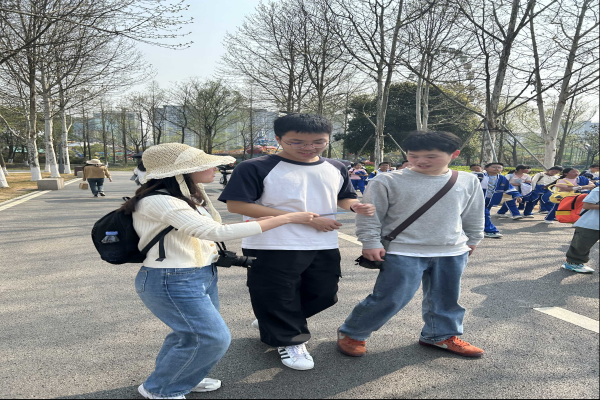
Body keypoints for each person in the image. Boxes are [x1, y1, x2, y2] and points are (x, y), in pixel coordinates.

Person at [124, 143, 317, 399]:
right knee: (211, 338)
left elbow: (206, 227)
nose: (214, 168)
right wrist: (287, 218)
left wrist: (267, 220)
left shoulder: (183, 197)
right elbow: (213, 231)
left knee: (189, 335)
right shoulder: (161, 200)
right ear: (181, 172)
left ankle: (180, 378)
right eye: (204, 164)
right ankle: (161, 390)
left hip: (198, 274)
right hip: (171, 279)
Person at [218, 113, 375, 371]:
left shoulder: (336, 167)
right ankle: (290, 339)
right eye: (297, 142)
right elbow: (237, 205)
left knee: (324, 294)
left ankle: (274, 319)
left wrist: (354, 206)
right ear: (278, 139)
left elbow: (343, 196)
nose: (309, 147)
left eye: (318, 142)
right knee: (277, 294)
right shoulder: (255, 167)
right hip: (271, 242)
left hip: (322, 242)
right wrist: (304, 219)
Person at [336, 131, 485, 359]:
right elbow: (370, 215)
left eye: (431, 156)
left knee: (446, 298)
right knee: (391, 297)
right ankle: (353, 333)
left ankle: (440, 335)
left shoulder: (468, 180)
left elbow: (474, 213)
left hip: (452, 250)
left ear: (454, 154)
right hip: (402, 250)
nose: (420, 161)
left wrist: (474, 239)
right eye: (413, 155)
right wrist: (370, 242)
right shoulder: (386, 180)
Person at [562, 187, 599, 273]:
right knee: (581, 245)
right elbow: (586, 205)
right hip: (590, 223)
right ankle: (572, 263)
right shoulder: (598, 190)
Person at [480, 162, 522, 238]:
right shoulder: (479, 176)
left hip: (491, 200)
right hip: (478, 200)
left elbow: (508, 188)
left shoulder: (502, 178)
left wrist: (516, 195)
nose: (497, 169)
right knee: (485, 214)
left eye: (499, 167)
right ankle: (491, 231)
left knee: (480, 215)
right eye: (494, 167)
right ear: (486, 168)